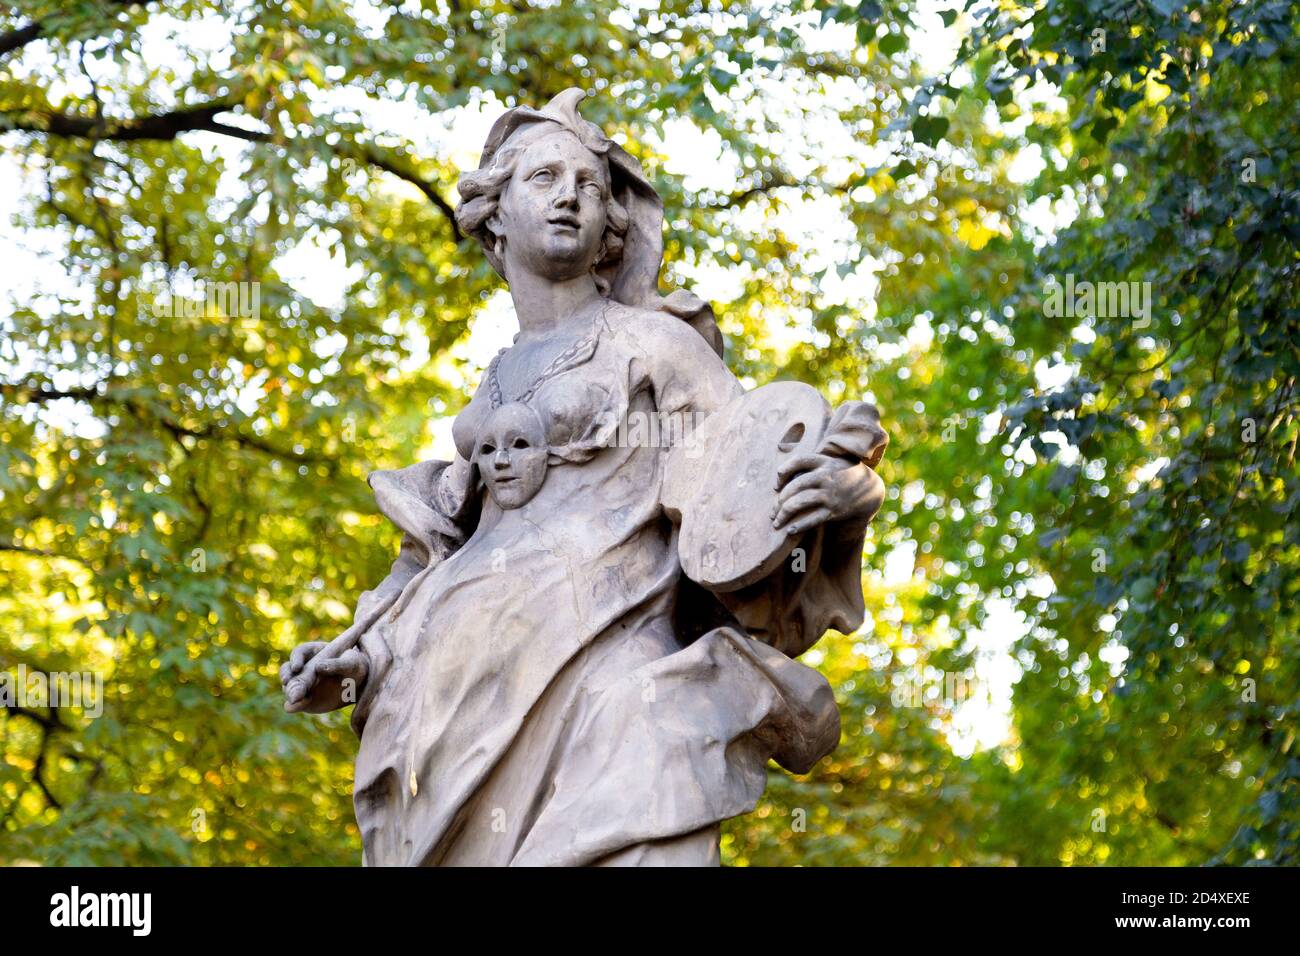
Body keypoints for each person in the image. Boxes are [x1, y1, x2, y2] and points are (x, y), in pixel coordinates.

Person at [280, 88, 888, 866]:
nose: (569, 194)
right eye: (543, 179)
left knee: (649, 812)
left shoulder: (656, 346)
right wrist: (358, 658)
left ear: (612, 224)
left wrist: (847, 497)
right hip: (449, 692)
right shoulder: (490, 387)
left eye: (589, 184)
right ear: (494, 214)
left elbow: (747, 492)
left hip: (615, 672)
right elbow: (435, 556)